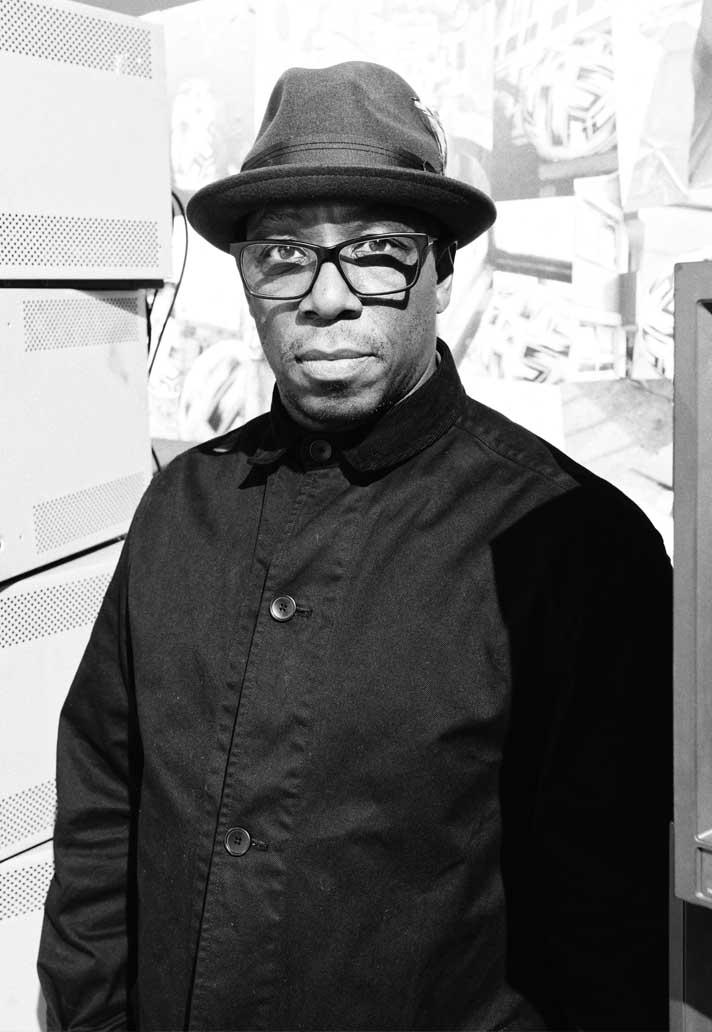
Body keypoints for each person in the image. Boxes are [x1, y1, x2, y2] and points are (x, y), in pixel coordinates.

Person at [38, 61, 672, 1031]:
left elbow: (608, 930)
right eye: (283, 253)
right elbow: (100, 815)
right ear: (248, 280)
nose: (326, 298)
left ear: (442, 272)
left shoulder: (569, 545)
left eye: (376, 251)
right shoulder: (183, 506)